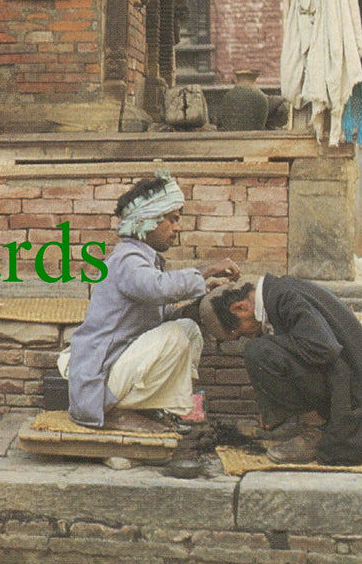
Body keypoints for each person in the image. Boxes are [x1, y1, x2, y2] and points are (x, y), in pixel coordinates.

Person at [60, 172, 240, 432]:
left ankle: (159, 408)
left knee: (187, 329)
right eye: (171, 220)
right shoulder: (127, 258)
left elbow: (159, 312)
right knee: (176, 334)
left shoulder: (144, 259)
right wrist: (205, 271)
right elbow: (156, 288)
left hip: (117, 368)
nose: (175, 228)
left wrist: (200, 296)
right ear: (147, 220)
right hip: (99, 380)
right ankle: (112, 413)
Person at [200, 276, 362, 465]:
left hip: (354, 386)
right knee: (262, 349)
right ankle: (306, 425)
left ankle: (316, 430)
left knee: (259, 351)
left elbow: (325, 349)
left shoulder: (285, 297)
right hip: (346, 377)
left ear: (240, 307)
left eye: (240, 333)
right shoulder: (277, 292)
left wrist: (272, 345)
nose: (246, 337)